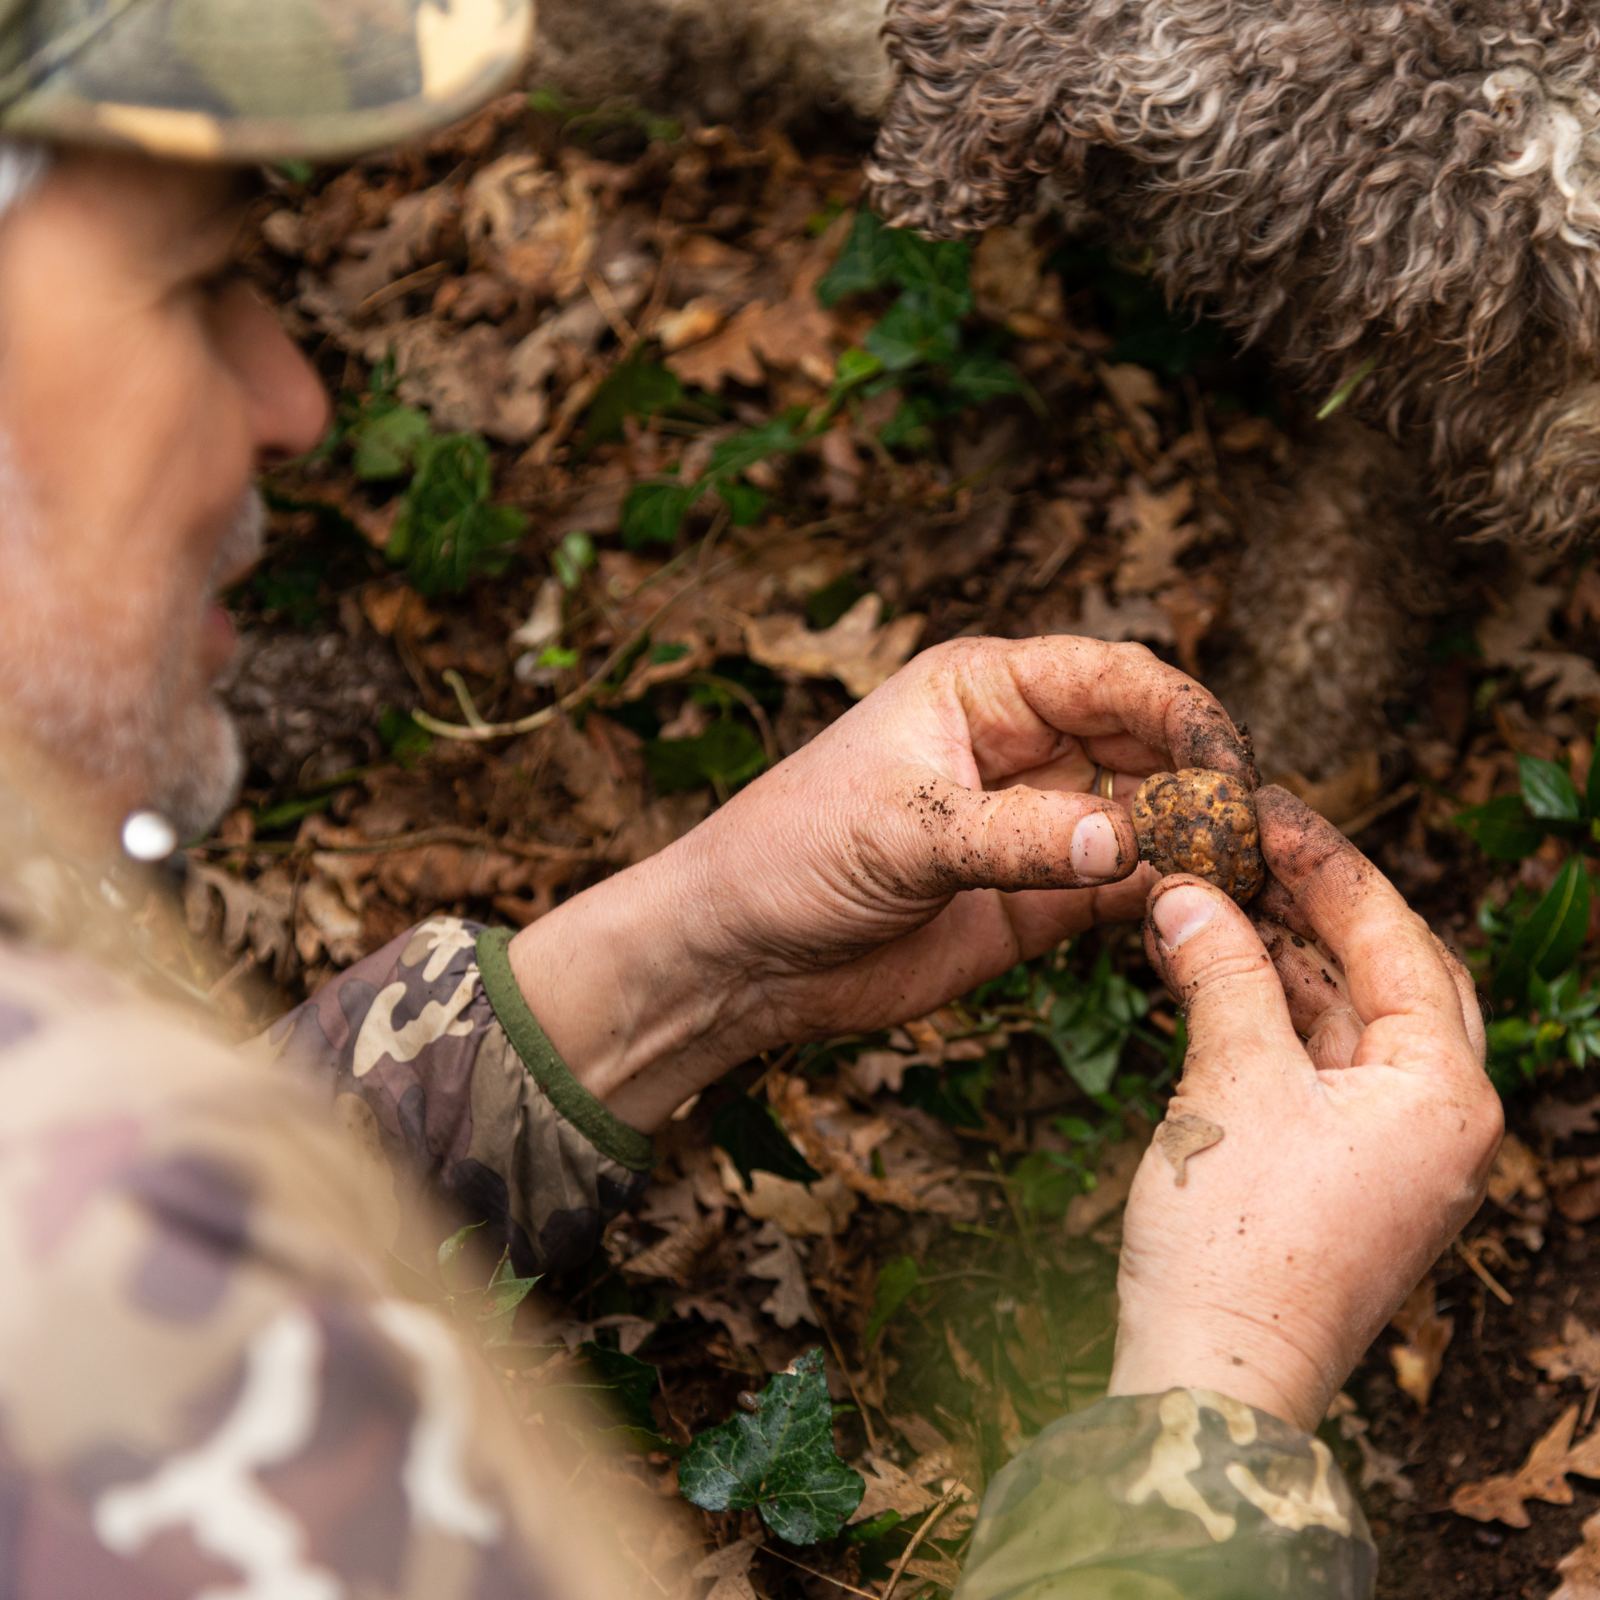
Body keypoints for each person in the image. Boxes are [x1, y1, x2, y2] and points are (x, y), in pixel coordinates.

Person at [0, 2, 1502, 1595]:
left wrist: (697, 958)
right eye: (193, 283)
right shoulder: (87, 1321)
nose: (292, 399)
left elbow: (179, 1224)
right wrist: (1222, 1394)